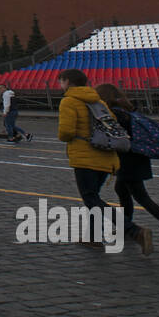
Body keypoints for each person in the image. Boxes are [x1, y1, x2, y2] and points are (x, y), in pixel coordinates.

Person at [96, 84, 159, 252]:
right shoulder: (127, 110)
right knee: (122, 190)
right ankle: (127, 227)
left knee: (142, 198)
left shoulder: (116, 114)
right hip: (136, 158)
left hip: (128, 160)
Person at [55, 69, 119, 242]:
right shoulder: (99, 101)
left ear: (67, 81)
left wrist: (65, 136)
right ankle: (94, 236)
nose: (60, 85)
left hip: (85, 156)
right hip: (106, 155)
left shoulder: (69, 101)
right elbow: (112, 124)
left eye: (61, 81)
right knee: (94, 196)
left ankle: (129, 227)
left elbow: (66, 132)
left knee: (90, 198)